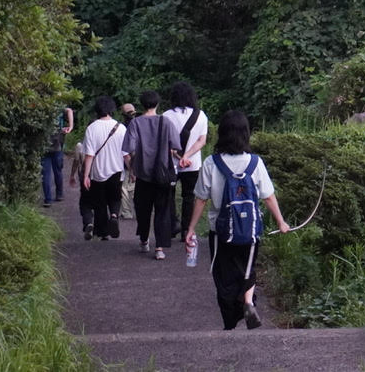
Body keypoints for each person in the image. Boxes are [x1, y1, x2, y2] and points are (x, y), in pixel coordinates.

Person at [187, 109, 290, 330]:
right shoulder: (255, 162)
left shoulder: (211, 163)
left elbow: (201, 200)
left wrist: (191, 229)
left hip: (220, 231)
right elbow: (269, 196)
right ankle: (248, 301)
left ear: (222, 134)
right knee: (248, 268)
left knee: (223, 275)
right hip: (250, 230)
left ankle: (229, 325)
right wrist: (281, 222)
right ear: (246, 134)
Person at [121, 89, 178, 260]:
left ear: (141, 104)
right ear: (158, 104)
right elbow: (175, 145)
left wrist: (133, 168)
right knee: (162, 210)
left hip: (143, 175)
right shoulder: (166, 122)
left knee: (143, 210)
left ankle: (144, 241)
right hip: (162, 175)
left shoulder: (135, 123)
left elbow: (129, 148)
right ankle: (159, 247)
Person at [162, 81, 209, 238]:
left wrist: (178, 156)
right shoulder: (200, 115)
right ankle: (186, 230)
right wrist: (187, 156)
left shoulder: (166, 116)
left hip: (171, 164)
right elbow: (202, 141)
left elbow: (164, 142)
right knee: (189, 196)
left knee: (169, 195)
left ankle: (172, 225)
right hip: (192, 164)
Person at [81, 95, 126, 241]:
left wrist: (86, 175)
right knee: (115, 197)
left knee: (100, 202)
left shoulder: (91, 128)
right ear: (111, 109)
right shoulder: (121, 128)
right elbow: (126, 153)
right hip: (117, 170)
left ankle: (104, 232)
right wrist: (133, 170)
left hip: (98, 172)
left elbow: (89, 155)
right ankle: (114, 215)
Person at [41, 106, 74, 207]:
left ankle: (48, 199)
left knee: (45, 174)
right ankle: (59, 194)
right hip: (57, 144)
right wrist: (70, 126)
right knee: (58, 171)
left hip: (44, 145)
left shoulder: (40, 108)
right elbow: (69, 110)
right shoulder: (57, 107)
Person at [67, 141, 92, 235]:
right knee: (100, 202)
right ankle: (103, 231)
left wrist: (72, 175)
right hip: (99, 176)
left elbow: (76, 161)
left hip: (84, 178)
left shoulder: (80, 146)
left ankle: (88, 222)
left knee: (85, 202)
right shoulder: (100, 142)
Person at [119, 102, 138, 219]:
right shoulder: (140, 123)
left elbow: (125, 151)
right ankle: (141, 209)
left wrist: (131, 167)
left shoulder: (124, 127)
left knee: (124, 187)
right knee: (135, 187)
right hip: (141, 161)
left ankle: (126, 212)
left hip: (129, 161)